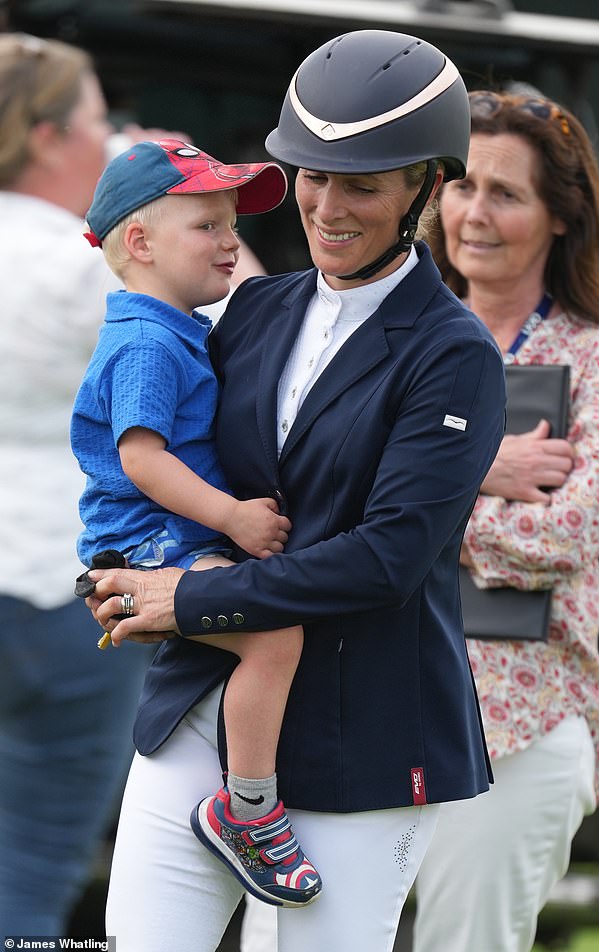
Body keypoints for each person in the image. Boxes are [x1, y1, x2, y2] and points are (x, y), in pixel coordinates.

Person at [84, 30, 507, 952]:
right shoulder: (249, 310)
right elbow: (165, 458)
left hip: (369, 724)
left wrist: (192, 594)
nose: (325, 203)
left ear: (427, 188)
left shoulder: (455, 355)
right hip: (207, 696)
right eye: (313, 173)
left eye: (361, 182)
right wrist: (128, 566)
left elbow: (389, 559)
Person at [407, 90, 599, 952]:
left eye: (508, 193)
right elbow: (310, 502)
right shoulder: (390, 334)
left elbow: (563, 539)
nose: (474, 212)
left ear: (560, 218)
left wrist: (408, 503)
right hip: (361, 702)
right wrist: (479, 473)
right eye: (462, 186)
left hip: (516, 723)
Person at [71, 137, 323, 907]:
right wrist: (236, 520)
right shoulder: (147, 340)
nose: (230, 241)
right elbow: (143, 459)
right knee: (274, 633)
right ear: (140, 243)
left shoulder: (176, 326)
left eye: (230, 225)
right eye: (207, 226)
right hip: (152, 542)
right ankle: (246, 810)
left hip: (175, 537)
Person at [0, 31, 153, 937]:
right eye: (101, 122)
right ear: (52, 137)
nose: (112, 138)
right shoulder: (83, 266)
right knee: (32, 859)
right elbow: (234, 352)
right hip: (63, 590)